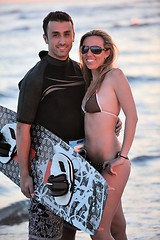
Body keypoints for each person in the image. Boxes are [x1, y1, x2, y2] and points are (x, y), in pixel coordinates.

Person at [16, 11, 122, 240]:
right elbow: (22, 127)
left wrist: (110, 122)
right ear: (45, 38)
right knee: (44, 237)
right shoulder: (35, 78)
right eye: (55, 35)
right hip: (46, 168)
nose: (62, 41)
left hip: (79, 164)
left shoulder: (82, 73)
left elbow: (90, 109)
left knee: (68, 232)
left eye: (66, 34)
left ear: (74, 36)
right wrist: (25, 174)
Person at [79, 29, 138, 240]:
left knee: (98, 231)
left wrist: (122, 157)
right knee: (116, 226)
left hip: (112, 165)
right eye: (85, 49)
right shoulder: (90, 81)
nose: (89, 54)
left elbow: (133, 116)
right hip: (92, 167)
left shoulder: (115, 76)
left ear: (107, 53)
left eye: (96, 49)